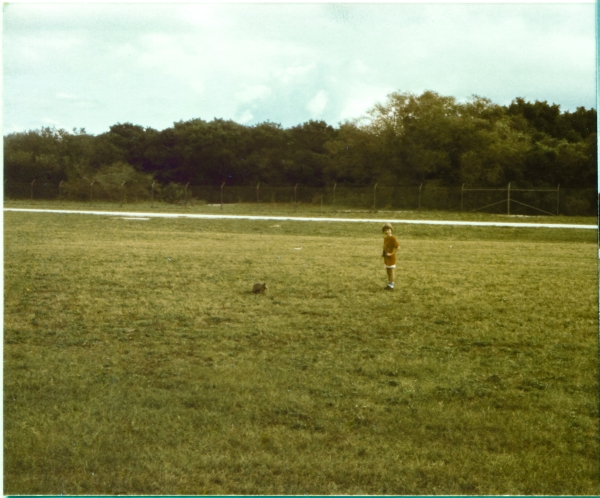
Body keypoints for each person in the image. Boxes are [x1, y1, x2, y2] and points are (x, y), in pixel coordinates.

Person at [381, 223, 399, 290]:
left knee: (391, 271)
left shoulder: (393, 238)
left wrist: (391, 253)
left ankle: (392, 285)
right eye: (385, 230)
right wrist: (383, 253)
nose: (387, 231)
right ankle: (389, 284)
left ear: (391, 230)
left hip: (391, 257)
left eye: (388, 230)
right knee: (388, 271)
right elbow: (385, 247)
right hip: (386, 257)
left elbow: (398, 247)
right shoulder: (385, 238)